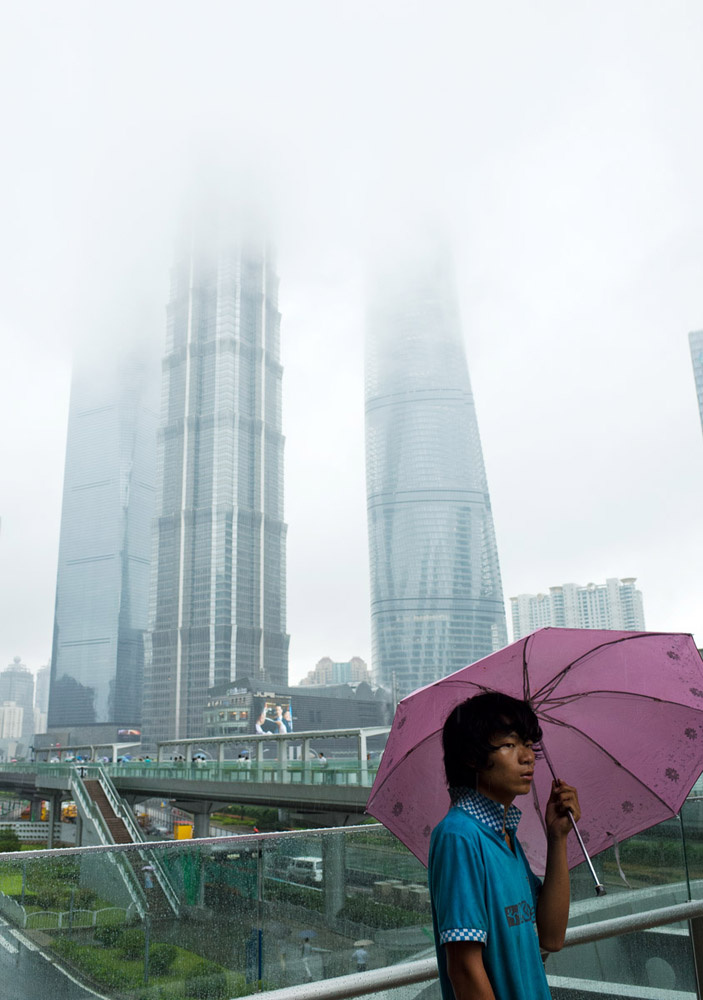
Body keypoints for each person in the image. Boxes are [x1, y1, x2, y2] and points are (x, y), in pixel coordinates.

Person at [428, 692, 581, 1000]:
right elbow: (464, 969)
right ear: (472, 757)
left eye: (528, 744)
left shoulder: (504, 835)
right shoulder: (459, 836)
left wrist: (557, 837)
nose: (527, 757)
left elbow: (551, 936)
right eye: (510, 745)